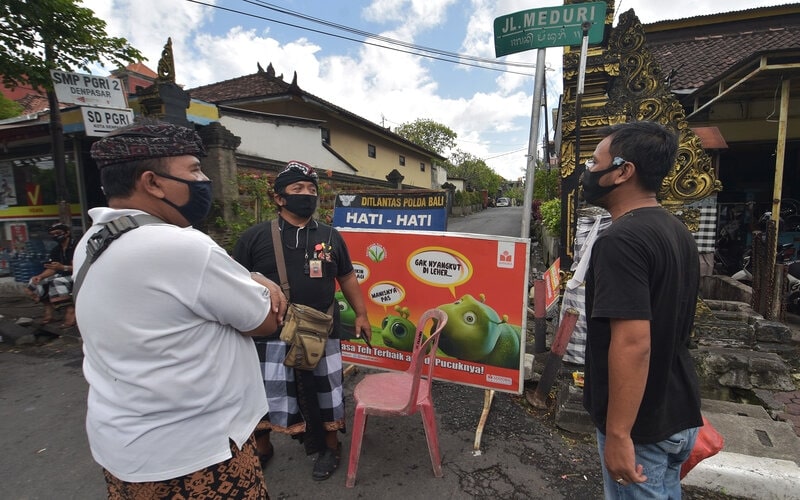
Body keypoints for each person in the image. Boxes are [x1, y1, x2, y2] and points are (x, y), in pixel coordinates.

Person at [77, 119, 287, 499]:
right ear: (152, 182)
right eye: (193, 170)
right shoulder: (182, 247)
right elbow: (265, 319)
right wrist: (266, 283)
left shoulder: (93, 241)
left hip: (124, 448)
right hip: (195, 456)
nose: (204, 179)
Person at [580, 121, 703, 499]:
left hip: (641, 427)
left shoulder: (621, 241)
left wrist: (619, 434)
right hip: (678, 410)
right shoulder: (675, 230)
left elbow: (634, 344)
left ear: (622, 171)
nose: (587, 170)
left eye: (594, 161)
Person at [233, 160, 371, 481]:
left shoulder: (330, 236)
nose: (306, 194)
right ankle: (263, 448)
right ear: (280, 198)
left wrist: (362, 314)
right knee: (264, 394)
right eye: (298, 189)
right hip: (269, 334)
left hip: (320, 329)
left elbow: (347, 277)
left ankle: (329, 447)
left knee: (326, 391)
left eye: (311, 190)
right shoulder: (254, 238)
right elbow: (233, 280)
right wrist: (255, 278)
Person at [25, 222, 77, 328]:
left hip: (77, 275)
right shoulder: (56, 250)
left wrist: (63, 267)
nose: (55, 236)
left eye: (58, 233)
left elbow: (81, 267)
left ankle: (71, 312)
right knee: (36, 282)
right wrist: (40, 276)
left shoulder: (76, 246)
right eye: (53, 234)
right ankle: (49, 312)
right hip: (62, 274)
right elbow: (52, 269)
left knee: (57, 282)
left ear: (67, 233)